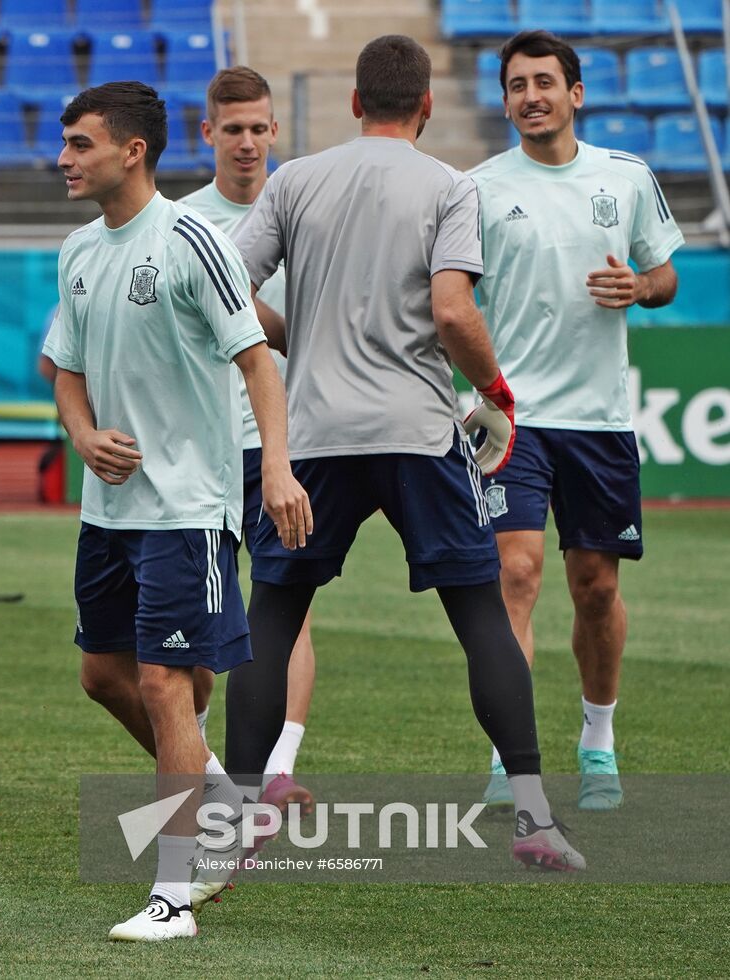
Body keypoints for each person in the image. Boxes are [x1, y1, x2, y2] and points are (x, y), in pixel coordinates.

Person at [229, 35, 585, 872]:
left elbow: (229, 290)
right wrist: (495, 390)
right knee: (480, 618)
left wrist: (298, 339)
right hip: (421, 434)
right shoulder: (449, 185)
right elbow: (454, 312)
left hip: (316, 436)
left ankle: (237, 818)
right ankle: (533, 816)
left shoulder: (296, 179)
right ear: (426, 106)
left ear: (355, 103)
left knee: (273, 618)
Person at [43, 80, 310, 942]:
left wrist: (275, 469)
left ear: (132, 150)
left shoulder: (194, 239)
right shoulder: (80, 250)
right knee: (103, 677)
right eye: (64, 142)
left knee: (166, 686)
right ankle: (229, 807)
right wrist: (82, 436)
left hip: (187, 508)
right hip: (107, 511)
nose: (63, 159)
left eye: (80, 143)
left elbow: (258, 361)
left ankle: (174, 895)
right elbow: (68, 369)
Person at [470, 30, 682, 811]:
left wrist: (641, 287)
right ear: (505, 100)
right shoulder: (480, 187)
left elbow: (664, 274)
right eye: (517, 85)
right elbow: (454, 296)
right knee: (514, 576)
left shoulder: (625, 178)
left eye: (545, 83)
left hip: (599, 419)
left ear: (576, 94)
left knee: (594, 587)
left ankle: (598, 741)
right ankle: (509, 758)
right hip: (511, 418)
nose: (531, 96)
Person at [179, 65, 316, 814]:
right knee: (199, 619)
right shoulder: (183, 220)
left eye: (259, 128)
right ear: (208, 134)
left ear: (274, 131)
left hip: (284, 443)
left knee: (287, 600)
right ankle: (199, 761)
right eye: (232, 128)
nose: (247, 142)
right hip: (201, 444)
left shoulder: (305, 212)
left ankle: (278, 767)